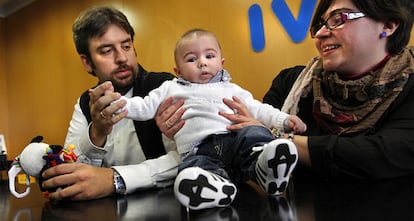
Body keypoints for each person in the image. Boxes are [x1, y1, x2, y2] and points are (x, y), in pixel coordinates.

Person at [110, 29, 307, 210]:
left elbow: (259, 109)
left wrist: (284, 119)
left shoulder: (231, 88)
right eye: (191, 59)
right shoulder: (171, 88)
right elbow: (144, 106)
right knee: (189, 169)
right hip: (199, 149)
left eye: (209, 56)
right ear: (177, 71)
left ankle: (265, 168)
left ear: (221, 62)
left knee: (253, 132)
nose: (202, 62)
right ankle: (215, 187)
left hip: (235, 141)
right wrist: (117, 104)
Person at [41, 6, 186, 201]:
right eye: (107, 51)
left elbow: (185, 158)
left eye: (126, 46)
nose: (122, 58)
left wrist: (115, 179)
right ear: (87, 62)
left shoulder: (165, 87)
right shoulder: (86, 102)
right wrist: (97, 133)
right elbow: (71, 167)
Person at [261, 0, 414, 181]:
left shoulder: (409, 86)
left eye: (338, 19)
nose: (320, 34)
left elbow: (385, 155)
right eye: (320, 25)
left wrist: (282, 141)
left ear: (388, 25)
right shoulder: (290, 83)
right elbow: (251, 145)